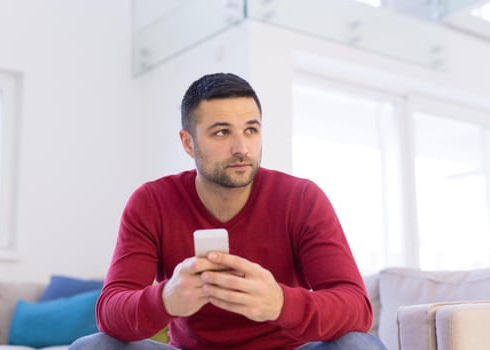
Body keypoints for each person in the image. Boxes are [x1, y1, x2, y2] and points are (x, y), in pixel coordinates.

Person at [70, 73, 387, 350]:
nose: (242, 148)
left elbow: (357, 308)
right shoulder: (151, 202)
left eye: (251, 130)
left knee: (359, 344)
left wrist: (280, 303)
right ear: (188, 143)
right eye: (222, 132)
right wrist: (165, 299)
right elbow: (109, 311)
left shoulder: (302, 199)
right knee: (93, 347)